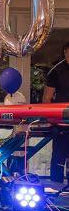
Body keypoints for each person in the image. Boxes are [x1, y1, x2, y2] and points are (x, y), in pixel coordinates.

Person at [43, 41, 69, 183]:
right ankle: (55, 185)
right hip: (61, 120)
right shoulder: (55, 71)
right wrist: (49, 120)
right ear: (65, 52)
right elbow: (47, 98)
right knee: (59, 155)